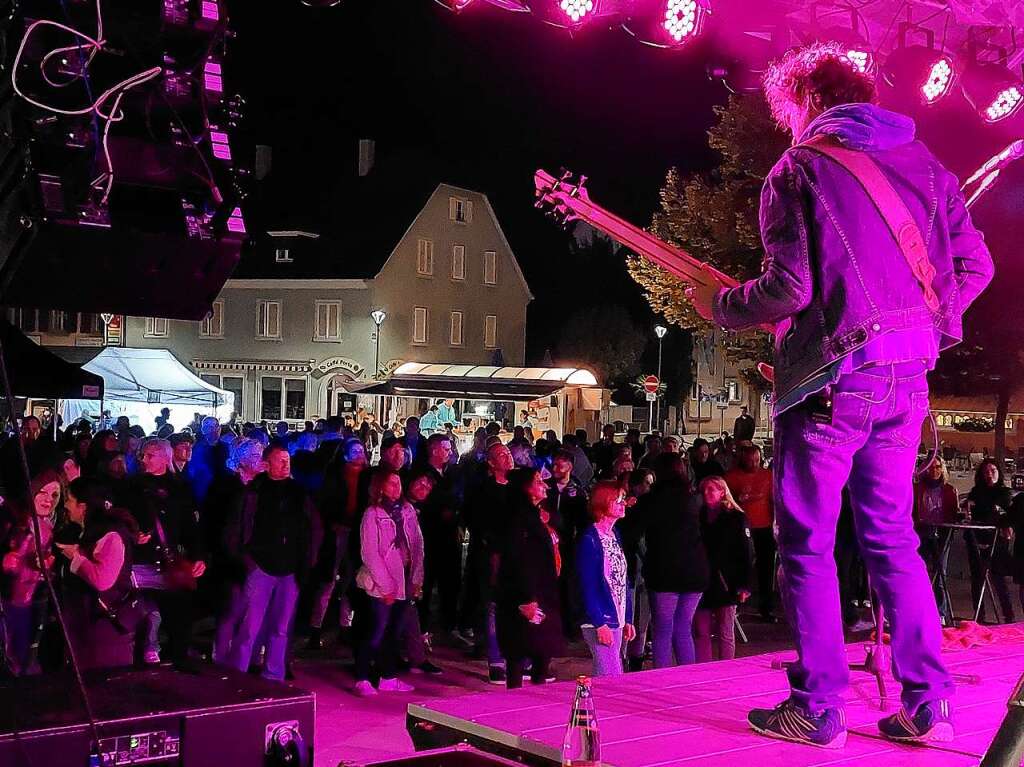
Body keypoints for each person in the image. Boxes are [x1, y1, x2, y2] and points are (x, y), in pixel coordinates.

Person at [688, 42, 993, 745]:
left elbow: (789, 288)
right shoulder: (928, 165)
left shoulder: (797, 169)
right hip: (905, 381)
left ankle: (820, 707)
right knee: (892, 538)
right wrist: (926, 329)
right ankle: (929, 705)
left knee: (807, 542)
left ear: (806, 102)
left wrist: (719, 304)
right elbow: (975, 264)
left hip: (833, 388)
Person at [224, 444, 316, 682]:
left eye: (288, 461)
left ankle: (274, 675)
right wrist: (247, 561)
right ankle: (238, 675)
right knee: (250, 627)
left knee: (281, 628)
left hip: (290, 568)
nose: (286, 465)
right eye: (280, 461)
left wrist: (306, 561)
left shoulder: (299, 492)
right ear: (267, 464)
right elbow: (237, 529)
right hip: (260, 565)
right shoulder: (253, 492)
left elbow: (313, 529)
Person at [126, 438, 206, 669]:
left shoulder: (180, 487)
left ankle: (178, 657)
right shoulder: (132, 486)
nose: (144, 459)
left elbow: (191, 526)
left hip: (170, 559)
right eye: (143, 455)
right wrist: (132, 535)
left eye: (150, 455)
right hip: (140, 558)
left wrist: (198, 555)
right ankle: (139, 656)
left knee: (178, 612)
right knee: (140, 612)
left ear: (164, 457)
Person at [57, 477, 143, 669]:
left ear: (83, 506)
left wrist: (75, 557)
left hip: (106, 628)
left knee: (106, 684)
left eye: (69, 500)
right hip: (84, 623)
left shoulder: (111, 534)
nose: (66, 505)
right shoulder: (80, 531)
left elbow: (102, 579)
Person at [352, 469, 423, 696]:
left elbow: (418, 545)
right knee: (376, 630)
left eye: (398, 483)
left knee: (394, 631)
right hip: (384, 583)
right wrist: (386, 586)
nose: (396, 488)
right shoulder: (372, 514)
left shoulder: (407, 511)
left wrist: (416, 578)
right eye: (391, 484)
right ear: (380, 487)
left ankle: (388, 675)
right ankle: (362, 676)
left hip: (405, 578)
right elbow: (370, 552)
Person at [636, 453, 708, 668]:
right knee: (683, 626)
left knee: (663, 627)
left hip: (665, 568)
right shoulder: (694, 499)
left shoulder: (651, 500)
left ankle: (662, 679)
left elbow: (635, 530)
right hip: (695, 567)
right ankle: (686, 678)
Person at [496, 467, 563, 688]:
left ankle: (537, 699)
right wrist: (526, 597)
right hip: (525, 596)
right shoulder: (516, 518)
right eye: (537, 481)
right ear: (525, 488)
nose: (544, 485)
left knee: (541, 653)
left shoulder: (536, 515)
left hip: (542, 591)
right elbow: (516, 560)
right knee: (519, 654)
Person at [462, 443, 515, 684]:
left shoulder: (518, 486)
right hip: (491, 554)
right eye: (502, 455)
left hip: (516, 554)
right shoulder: (482, 489)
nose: (508, 458)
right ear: (491, 462)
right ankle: (495, 659)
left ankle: (516, 656)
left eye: (509, 454)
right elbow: (475, 521)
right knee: (493, 606)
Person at [309, 437, 369, 648]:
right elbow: (325, 504)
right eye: (355, 450)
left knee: (351, 581)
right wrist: (333, 522)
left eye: (361, 449)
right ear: (345, 454)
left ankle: (346, 625)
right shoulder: (335, 476)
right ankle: (315, 627)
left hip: (358, 534)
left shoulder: (368, 477)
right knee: (328, 581)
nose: (359, 453)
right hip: (337, 532)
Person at [1, 469, 61, 674]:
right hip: (7, 604)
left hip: (31, 604)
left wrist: (47, 567)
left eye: (55, 495)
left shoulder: (48, 528)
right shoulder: (8, 521)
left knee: (26, 661)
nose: (49, 500)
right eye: (42, 492)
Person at [576, 481, 634, 676]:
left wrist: (627, 619)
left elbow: (622, 580)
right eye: (618, 500)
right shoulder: (590, 540)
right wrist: (600, 623)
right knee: (610, 675)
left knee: (610, 673)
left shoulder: (614, 534)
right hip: (600, 619)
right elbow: (588, 586)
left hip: (616, 616)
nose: (623, 504)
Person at [693, 477, 753, 663]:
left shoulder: (736, 517)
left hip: (727, 580)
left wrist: (745, 585)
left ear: (722, 491)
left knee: (725, 630)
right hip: (702, 579)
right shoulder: (698, 515)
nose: (707, 493)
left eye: (712, 489)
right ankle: (703, 669)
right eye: (705, 490)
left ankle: (726, 668)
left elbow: (747, 552)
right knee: (701, 631)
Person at [725, 444, 776, 621]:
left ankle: (766, 606)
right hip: (741, 529)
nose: (754, 463)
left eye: (756, 459)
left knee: (766, 569)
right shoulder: (731, 477)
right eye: (750, 460)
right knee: (741, 568)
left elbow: (773, 501)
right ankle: (736, 605)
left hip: (765, 527)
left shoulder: (768, 476)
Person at [417, 434, 461, 635]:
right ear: (434, 450)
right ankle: (421, 626)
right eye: (446, 449)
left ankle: (449, 623)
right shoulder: (421, 474)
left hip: (450, 537)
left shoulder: (451, 473)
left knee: (450, 582)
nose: (449, 453)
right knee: (426, 582)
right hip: (429, 536)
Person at [962, 459, 1014, 623]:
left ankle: (1008, 616)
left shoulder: (1004, 493)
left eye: (993, 471)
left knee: (999, 580)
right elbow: (969, 508)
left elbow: (999, 511)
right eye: (986, 472)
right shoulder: (975, 492)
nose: (989, 475)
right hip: (976, 540)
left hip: (996, 542)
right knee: (977, 579)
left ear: (999, 472)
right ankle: (979, 617)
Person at [913, 459, 959, 617]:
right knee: (921, 572)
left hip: (942, 535)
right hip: (922, 533)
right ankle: (920, 610)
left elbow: (954, 513)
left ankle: (941, 612)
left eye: (938, 467)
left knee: (941, 574)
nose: (934, 470)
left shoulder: (949, 490)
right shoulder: (917, 489)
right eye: (931, 467)